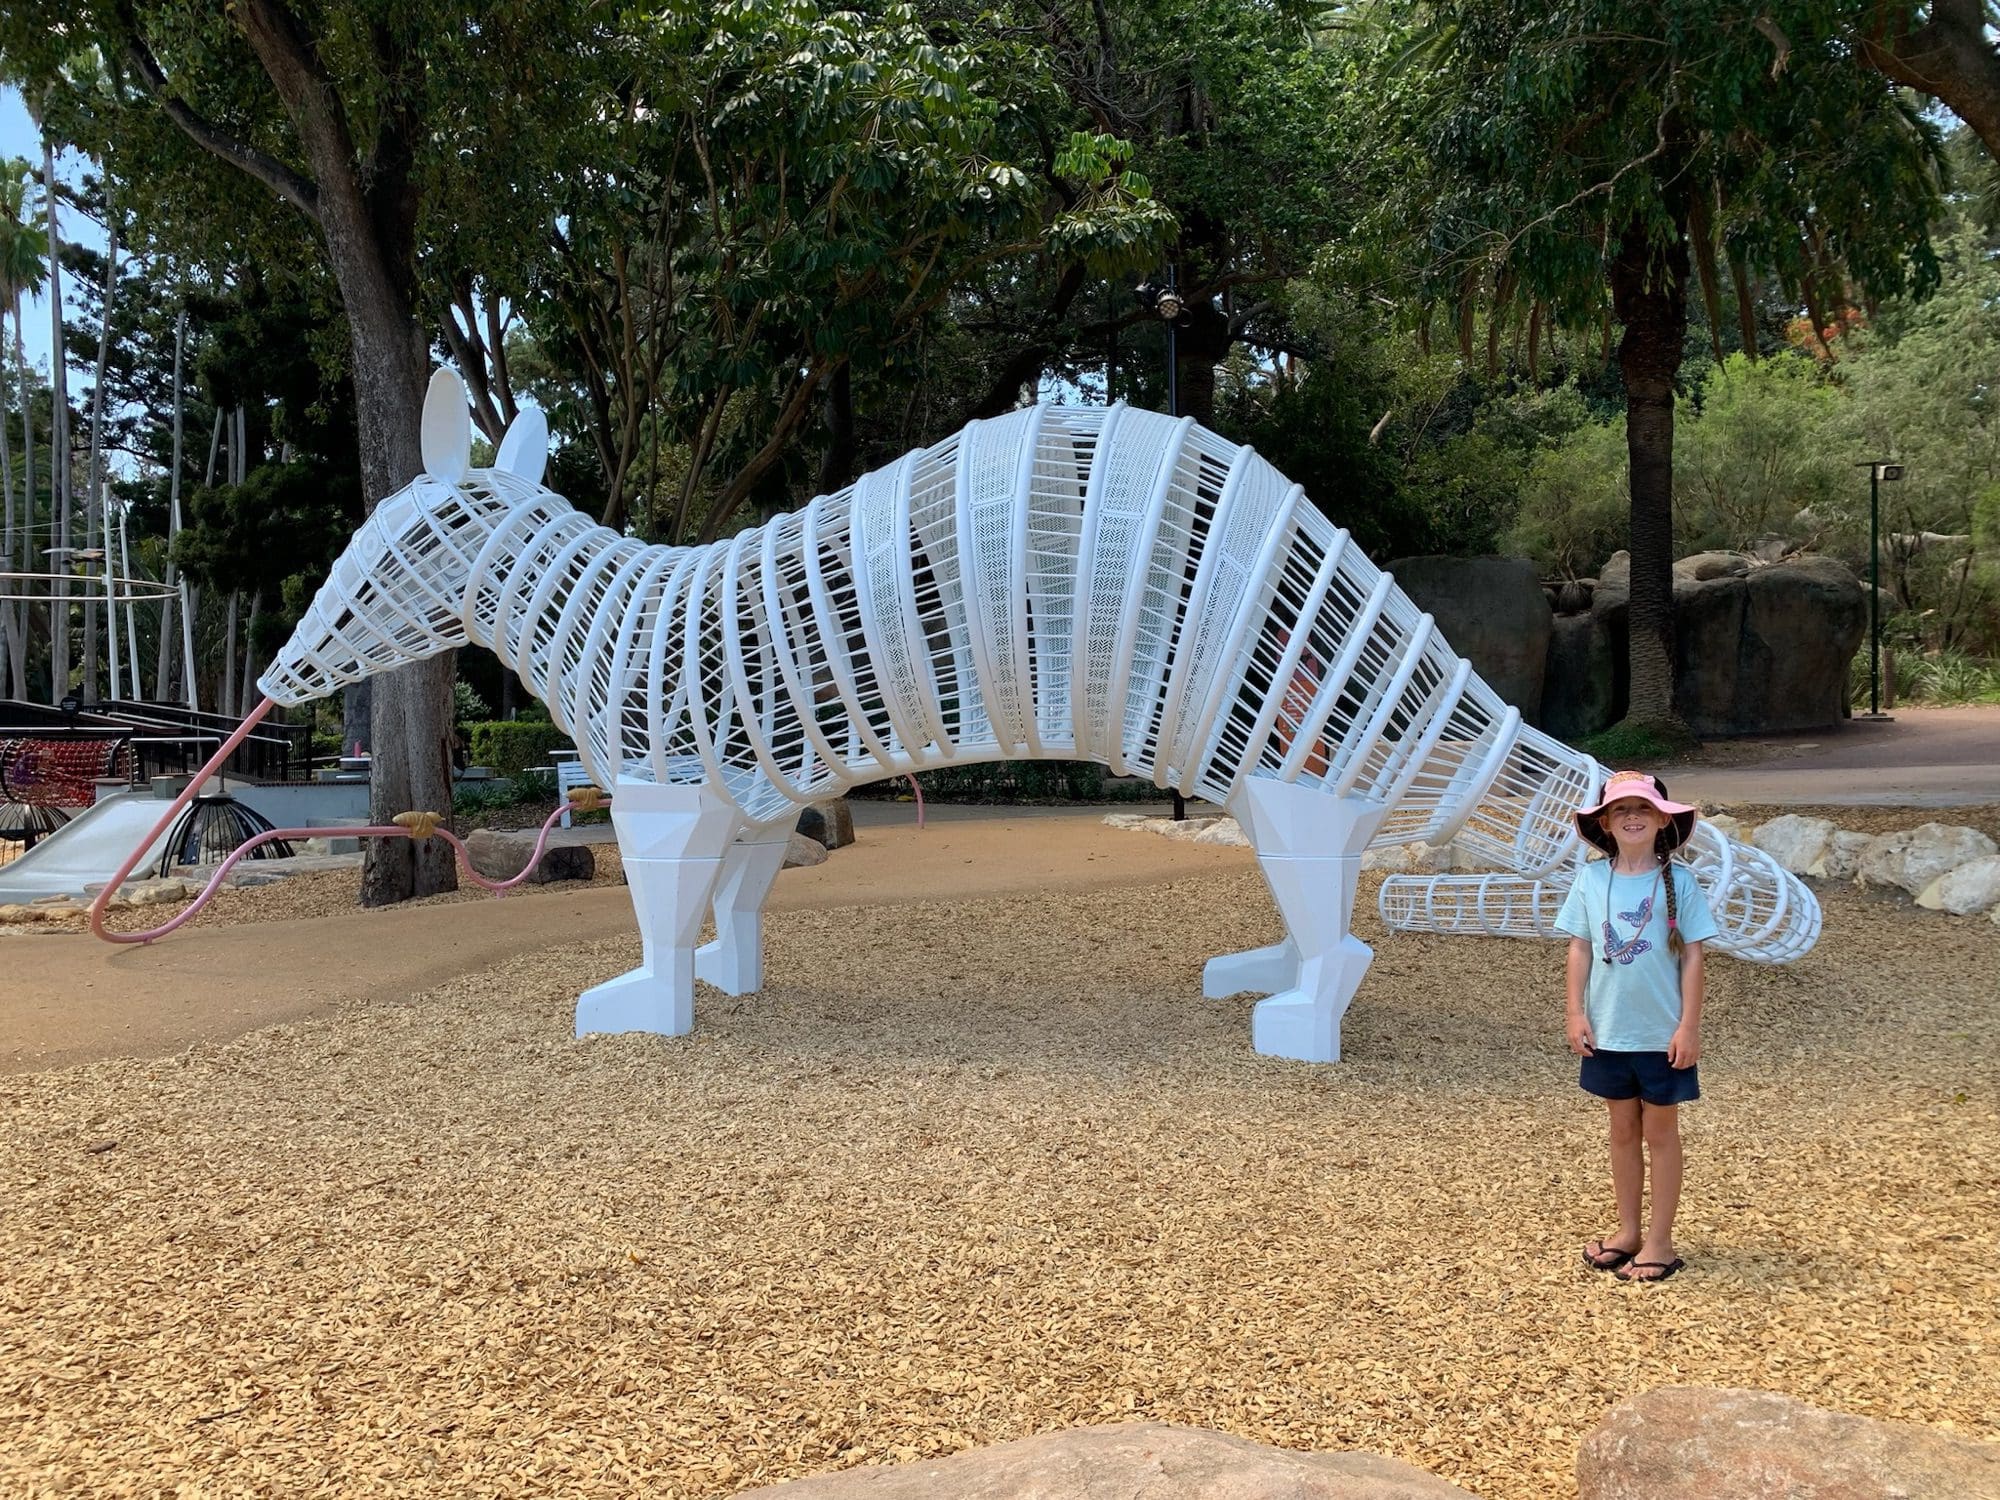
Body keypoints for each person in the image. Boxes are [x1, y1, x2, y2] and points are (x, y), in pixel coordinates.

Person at [1555, 769, 1719, 1284]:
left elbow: (1693, 957)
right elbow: (1580, 948)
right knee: (1622, 1130)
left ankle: (1660, 1241)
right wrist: (1575, 1012)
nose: (1632, 816)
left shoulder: (1680, 883)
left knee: (1660, 1133)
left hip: (1661, 1034)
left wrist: (1689, 1026)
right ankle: (1628, 1231)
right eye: (1621, 809)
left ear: (1662, 820)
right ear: (1605, 822)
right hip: (1608, 1032)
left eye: (1643, 808)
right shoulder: (1590, 880)